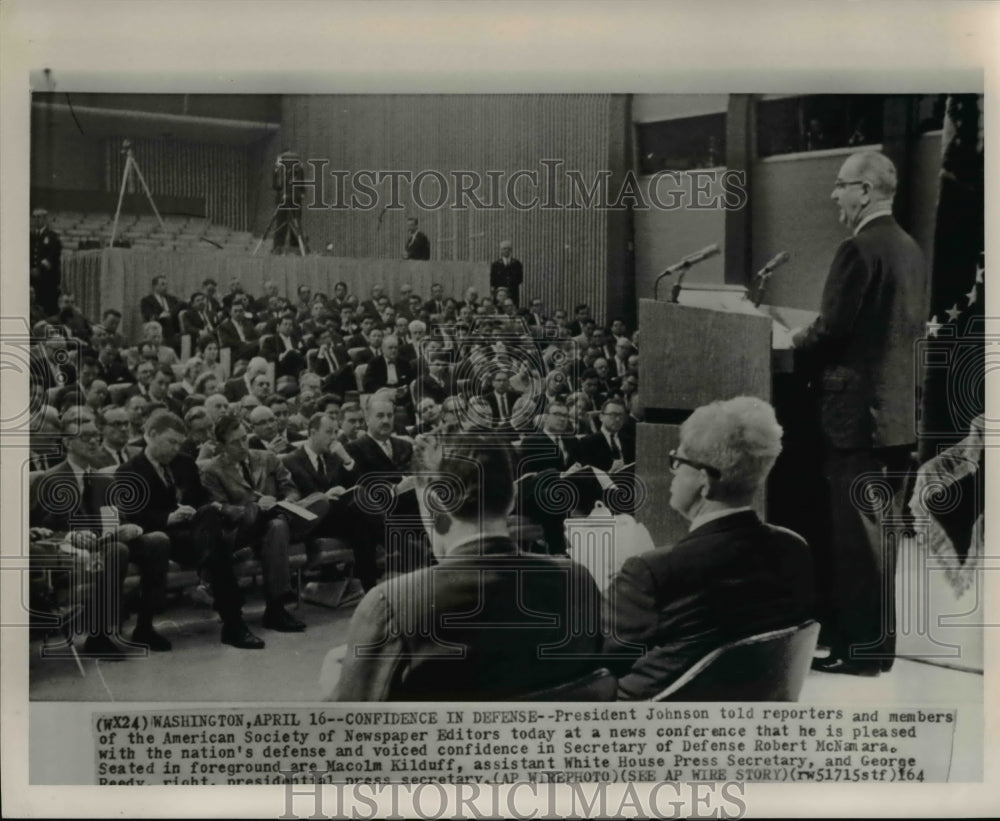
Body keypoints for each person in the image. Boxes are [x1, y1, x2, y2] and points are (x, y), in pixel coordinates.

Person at [326, 434, 604, 700]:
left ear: (432, 501)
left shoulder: (391, 605)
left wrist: (334, 680)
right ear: (512, 495)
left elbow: (349, 727)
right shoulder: (577, 580)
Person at [792, 150, 928, 676]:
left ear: (866, 191)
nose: (834, 194)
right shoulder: (911, 249)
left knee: (856, 541)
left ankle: (863, 651)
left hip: (856, 422)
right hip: (894, 419)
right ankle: (870, 643)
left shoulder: (858, 249)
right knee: (880, 539)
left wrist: (788, 341)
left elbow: (832, 330)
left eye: (841, 184)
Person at [603, 397, 816, 700]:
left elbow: (599, 658)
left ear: (704, 480)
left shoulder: (652, 571)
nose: (673, 471)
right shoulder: (794, 548)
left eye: (678, 461)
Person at [116, 410, 265, 649]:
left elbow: (201, 497)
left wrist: (204, 506)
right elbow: (135, 517)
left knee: (209, 516)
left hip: (195, 533)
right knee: (218, 549)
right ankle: (233, 623)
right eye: (171, 442)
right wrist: (169, 517)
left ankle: (225, 606)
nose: (176, 448)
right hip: (159, 537)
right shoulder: (129, 471)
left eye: (179, 443)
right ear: (151, 435)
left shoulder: (184, 463)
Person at [30, 415, 173, 656]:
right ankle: (98, 636)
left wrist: (132, 529)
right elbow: (36, 530)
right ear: (67, 443)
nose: (93, 442)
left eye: (95, 436)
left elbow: (118, 519)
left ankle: (145, 625)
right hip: (71, 553)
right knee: (117, 551)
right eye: (85, 437)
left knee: (158, 540)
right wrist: (70, 536)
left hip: (105, 541)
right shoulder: (49, 479)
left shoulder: (104, 480)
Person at [199, 415, 325, 633]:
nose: (242, 446)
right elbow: (218, 508)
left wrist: (286, 502)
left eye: (244, 439)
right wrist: (256, 507)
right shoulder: (212, 470)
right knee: (277, 526)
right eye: (234, 442)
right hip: (244, 529)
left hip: (278, 514)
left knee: (321, 501)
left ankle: (285, 520)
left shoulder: (268, 458)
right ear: (221, 446)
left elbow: (290, 488)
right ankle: (276, 608)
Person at [30, 207, 62, 315]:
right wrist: (30, 269)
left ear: (45, 219)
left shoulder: (52, 237)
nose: (35, 220)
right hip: (32, 279)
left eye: (38, 217)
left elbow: (53, 256)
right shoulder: (31, 236)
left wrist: (39, 269)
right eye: (34, 217)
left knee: (47, 308)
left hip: (47, 280)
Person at [489, 239, 524, 306]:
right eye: (504, 249)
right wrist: (501, 288)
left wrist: (510, 285)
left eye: (508, 249)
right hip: (500, 293)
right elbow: (492, 280)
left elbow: (520, 279)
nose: (506, 250)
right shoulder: (495, 264)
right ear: (501, 250)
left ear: (511, 250)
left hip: (513, 292)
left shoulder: (517, 263)